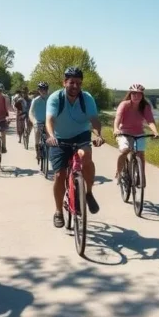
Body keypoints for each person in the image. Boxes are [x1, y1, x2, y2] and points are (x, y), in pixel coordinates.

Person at [45, 66, 105, 228]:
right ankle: (58, 211)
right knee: (59, 175)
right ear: (64, 82)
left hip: (81, 135)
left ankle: (88, 193)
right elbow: (49, 119)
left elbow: (94, 120)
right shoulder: (56, 98)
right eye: (72, 82)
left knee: (86, 156)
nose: (75, 86)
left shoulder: (87, 98)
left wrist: (98, 134)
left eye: (79, 83)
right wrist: (51, 136)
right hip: (59, 138)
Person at [113, 83, 159, 181]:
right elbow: (118, 118)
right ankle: (119, 171)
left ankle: (141, 175)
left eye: (139, 94)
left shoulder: (145, 106)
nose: (136, 96)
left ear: (142, 95)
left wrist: (155, 132)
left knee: (140, 154)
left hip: (139, 133)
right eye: (134, 94)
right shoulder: (124, 104)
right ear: (130, 94)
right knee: (125, 151)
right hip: (124, 132)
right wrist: (116, 129)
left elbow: (150, 120)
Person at [29, 82, 50, 150]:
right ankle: (37, 146)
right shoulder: (35, 100)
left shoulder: (51, 99)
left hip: (48, 121)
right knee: (37, 130)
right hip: (38, 121)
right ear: (39, 90)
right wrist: (34, 121)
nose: (43, 91)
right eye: (41, 89)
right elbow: (31, 112)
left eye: (45, 89)